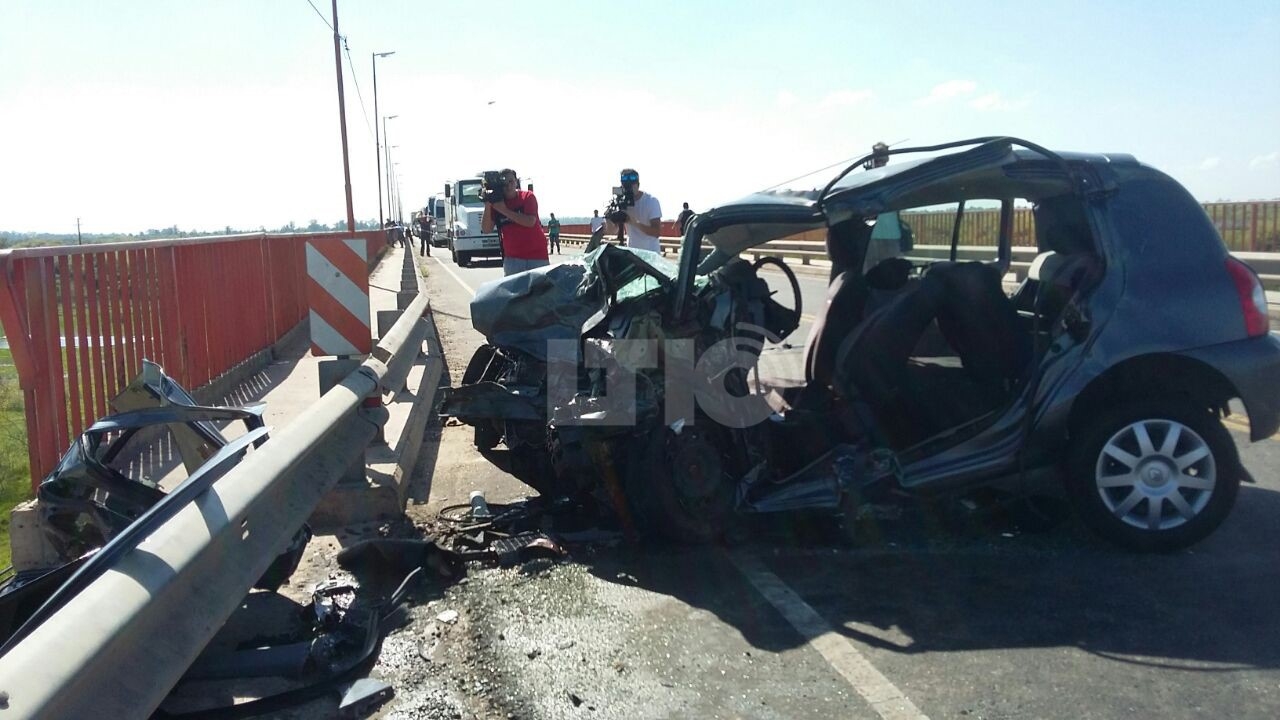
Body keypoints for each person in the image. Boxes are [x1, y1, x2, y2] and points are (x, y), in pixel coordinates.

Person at [481, 168, 550, 275]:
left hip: (537, 256)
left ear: (516, 182)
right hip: (513, 258)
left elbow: (530, 222)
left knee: (540, 286)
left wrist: (504, 210)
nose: (508, 186)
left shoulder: (527, 197)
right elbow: (486, 229)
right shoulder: (497, 204)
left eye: (511, 182)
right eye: (504, 184)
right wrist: (488, 204)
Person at [616, 168, 662, 253]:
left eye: (631, 186)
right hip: (633, 253)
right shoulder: (622, 202)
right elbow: (612, 230)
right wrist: (610, 219)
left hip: (650, 253)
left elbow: (656, 232)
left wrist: (634, 222)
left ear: (638, 185)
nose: (629, 189)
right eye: (626, 186)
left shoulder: (651, 201)